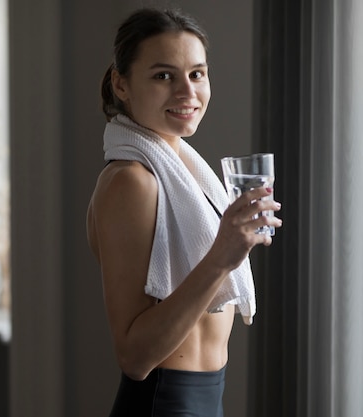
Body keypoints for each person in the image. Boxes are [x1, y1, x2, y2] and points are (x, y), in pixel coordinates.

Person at [86, 7, 282, 417]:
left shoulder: (185, 173)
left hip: (206, 401)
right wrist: (222, 255)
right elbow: (135, 358)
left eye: (196, 74)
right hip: (163, 405)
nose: (187, 93)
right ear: (121, 85)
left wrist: (236, 241)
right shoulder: (132, 182)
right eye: (163, 76)